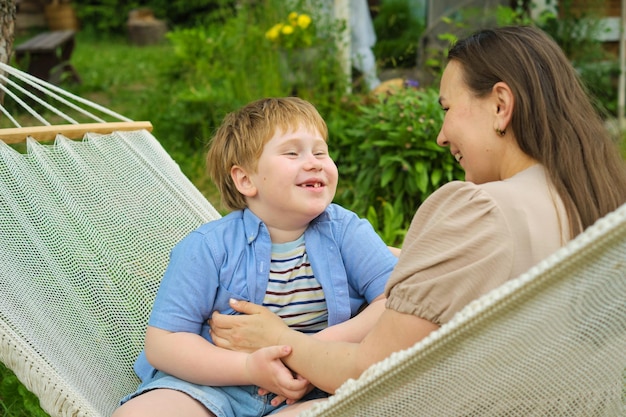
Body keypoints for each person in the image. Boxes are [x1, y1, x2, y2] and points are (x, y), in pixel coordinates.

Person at [208, 25, 626, 398]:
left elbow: (370, 373)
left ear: (500, 105)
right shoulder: (595, 201)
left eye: (446, 108)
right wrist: (401, 258)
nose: (442, 136)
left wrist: (280, 339)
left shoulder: (476, 209)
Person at [112, 97, 398, 417]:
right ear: (246, 180)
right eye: (292, 153)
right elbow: (165, 343)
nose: (315, 162)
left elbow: (396, 300)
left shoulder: (347, 231)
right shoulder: (208, 247)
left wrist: (316, 352)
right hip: (216, 385)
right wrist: (249, 367)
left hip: (313, 389)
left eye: (321, 152)